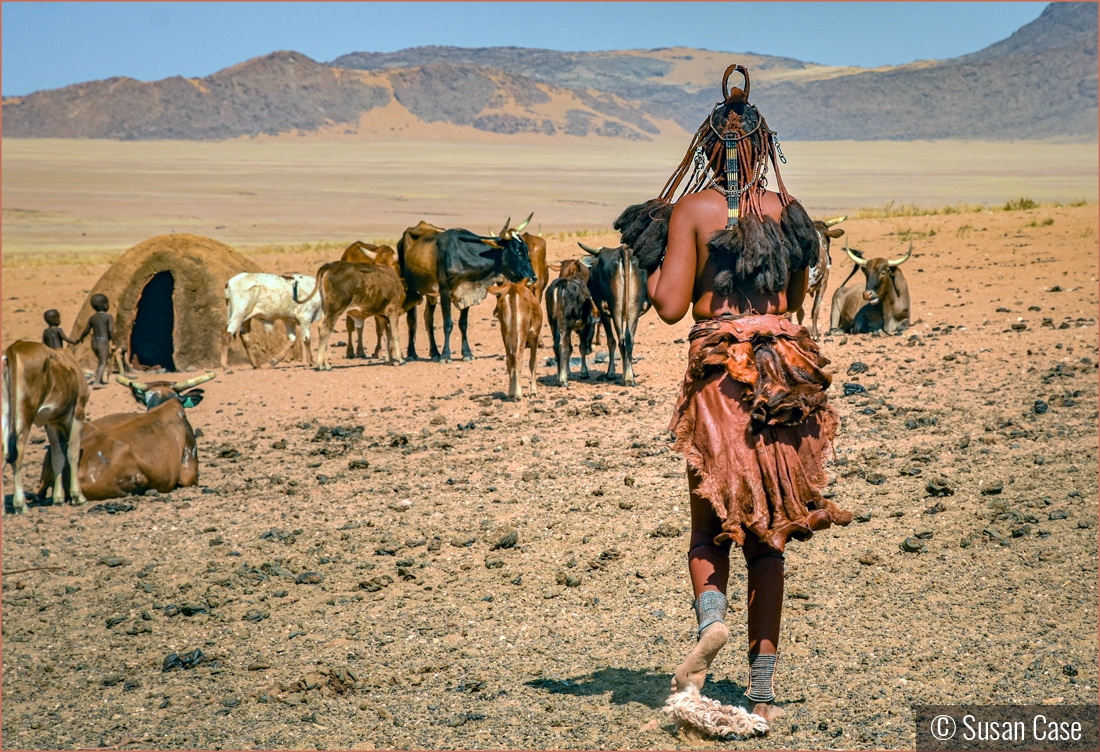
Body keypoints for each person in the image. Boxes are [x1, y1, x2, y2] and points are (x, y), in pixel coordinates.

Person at [619, 66, 853, 728]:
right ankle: (763, 692)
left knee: (707, 528)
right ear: (762, 149)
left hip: (719, 385)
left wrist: (655, 252)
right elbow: (800, 299)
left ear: (708, 151)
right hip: (783, 384)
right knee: (769, 538)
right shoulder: (787, 214)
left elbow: (668, 308)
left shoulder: (693, 212)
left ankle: (712, 622)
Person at [75, 293, 116, 387]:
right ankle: (97, 382)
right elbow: (110, 330)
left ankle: (100, 380)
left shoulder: (92, 318)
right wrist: (115, 341)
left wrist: (80, 338)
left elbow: (86, 330)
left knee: (101, 360)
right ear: (106, 305)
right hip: (103, 341)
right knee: (103, 361)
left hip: (94, 342)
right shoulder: (108, 317)